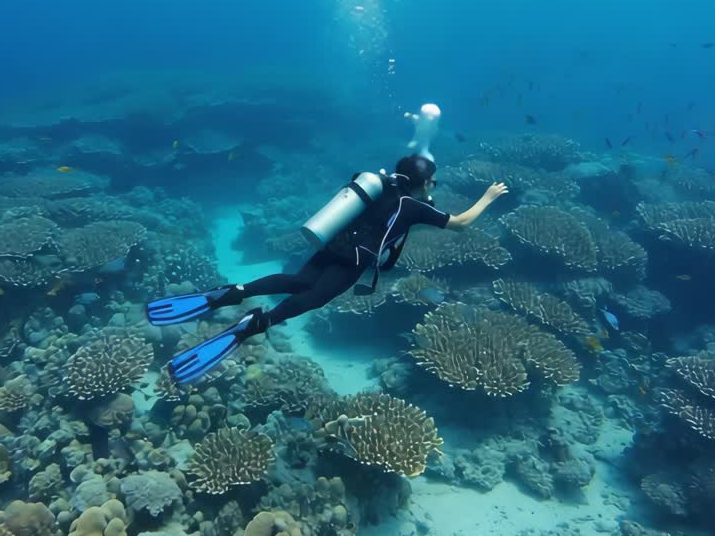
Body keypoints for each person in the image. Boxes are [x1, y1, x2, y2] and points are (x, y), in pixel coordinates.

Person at [146, 154, 509, 384]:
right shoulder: (414, 207)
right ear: (422, 181)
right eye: (432, 181)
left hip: (332, 243)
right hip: (353, 260)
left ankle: (234, 292)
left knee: (296, 280)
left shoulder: (381, 183)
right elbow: (460, 222)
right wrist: (488, 198)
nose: (433, 187)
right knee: (314, 297)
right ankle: (256, 323)